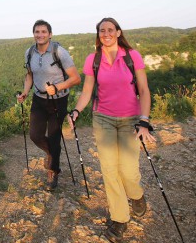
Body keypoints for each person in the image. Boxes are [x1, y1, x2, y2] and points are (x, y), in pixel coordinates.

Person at [68, 17, 155, 243]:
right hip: (103, 118)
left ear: (118, 32)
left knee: (128, 170)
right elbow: (87, 91)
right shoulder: (93, 59)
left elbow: (144, 90)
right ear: (98, 35)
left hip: (131, 119)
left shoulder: (132, 56)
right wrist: (76, 111)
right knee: (109, 170)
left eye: (110, 30)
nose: (105, 33)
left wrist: (144, 120)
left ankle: (136, 195)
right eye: (101, 31)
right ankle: (120, 219)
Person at [17, 19, 81, 191]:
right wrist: (25, 92)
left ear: (50, 34)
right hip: (39, 98)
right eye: (37, 32)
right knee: (35, 135)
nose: (40, 35)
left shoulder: (60, 52)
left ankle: (54, 170)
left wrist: (57, 87)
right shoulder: (29, 52)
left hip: (58, 99)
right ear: (34, 34)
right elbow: (29, 75)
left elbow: (76, 78)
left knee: (54, 137)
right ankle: (51, 154)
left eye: (43, 32)